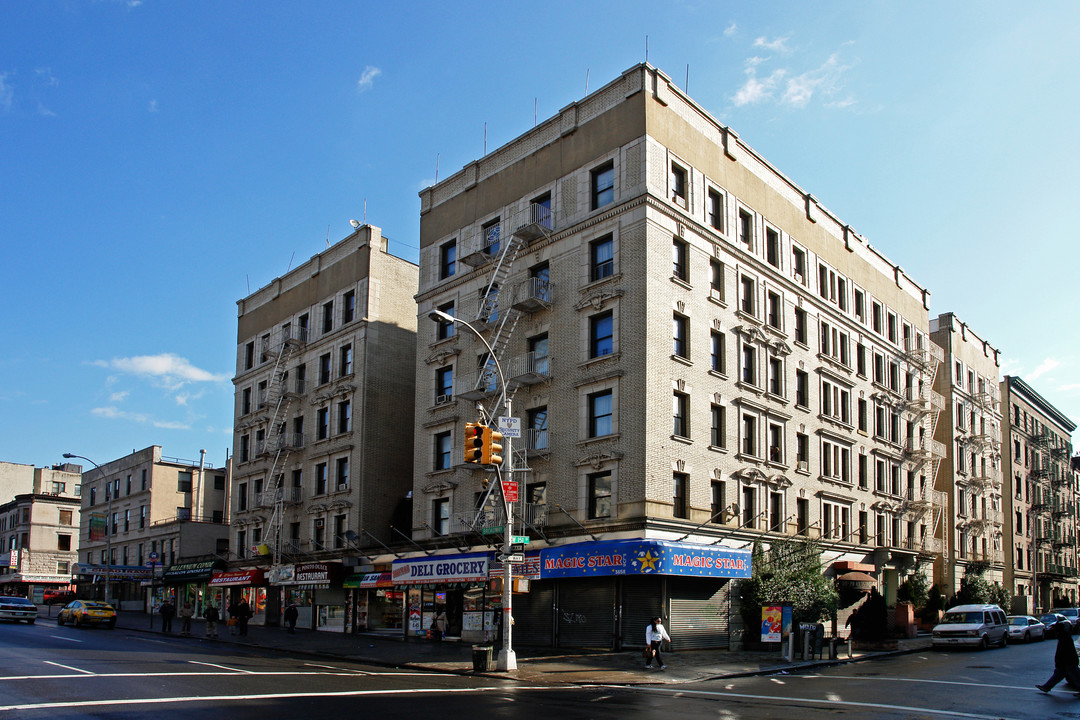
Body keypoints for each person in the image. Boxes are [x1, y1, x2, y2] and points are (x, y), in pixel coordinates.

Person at [1037, 624, 1080, 692]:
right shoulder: (1065, 637)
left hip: (1068, 662)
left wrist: (1058, 661)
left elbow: (1062, 652)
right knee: (1060, 675)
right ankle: (1047, 687)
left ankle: (1047, 687)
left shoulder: (1063, 638)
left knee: (1074, 676)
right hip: (1068, 661)